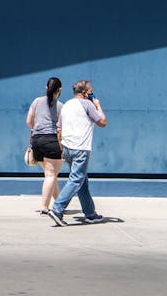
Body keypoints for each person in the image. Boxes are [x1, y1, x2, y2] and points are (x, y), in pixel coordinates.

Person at [46, 79, 107, 226]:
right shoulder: (87, 104)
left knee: (82, 181)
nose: (92, 93)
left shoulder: (67, 105)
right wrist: (98, 105)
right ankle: (57, 209)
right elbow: (102, 122)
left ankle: (90, 213)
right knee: (76, 180)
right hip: (81, 148)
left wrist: (62, 149)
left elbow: (59, 129)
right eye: (91, 91)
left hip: (68, 148)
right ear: (85, 93)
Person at [26, 77, 65, 215]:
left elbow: (29, 121)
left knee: (51, 175)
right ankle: (45, 206)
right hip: (52, 141)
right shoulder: (61, 106)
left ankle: (59, 203)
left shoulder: (36, 101)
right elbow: (62, 128)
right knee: (51, 175)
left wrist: (37, 128)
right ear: (59, 89)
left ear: (46, 87)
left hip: (37, 140)